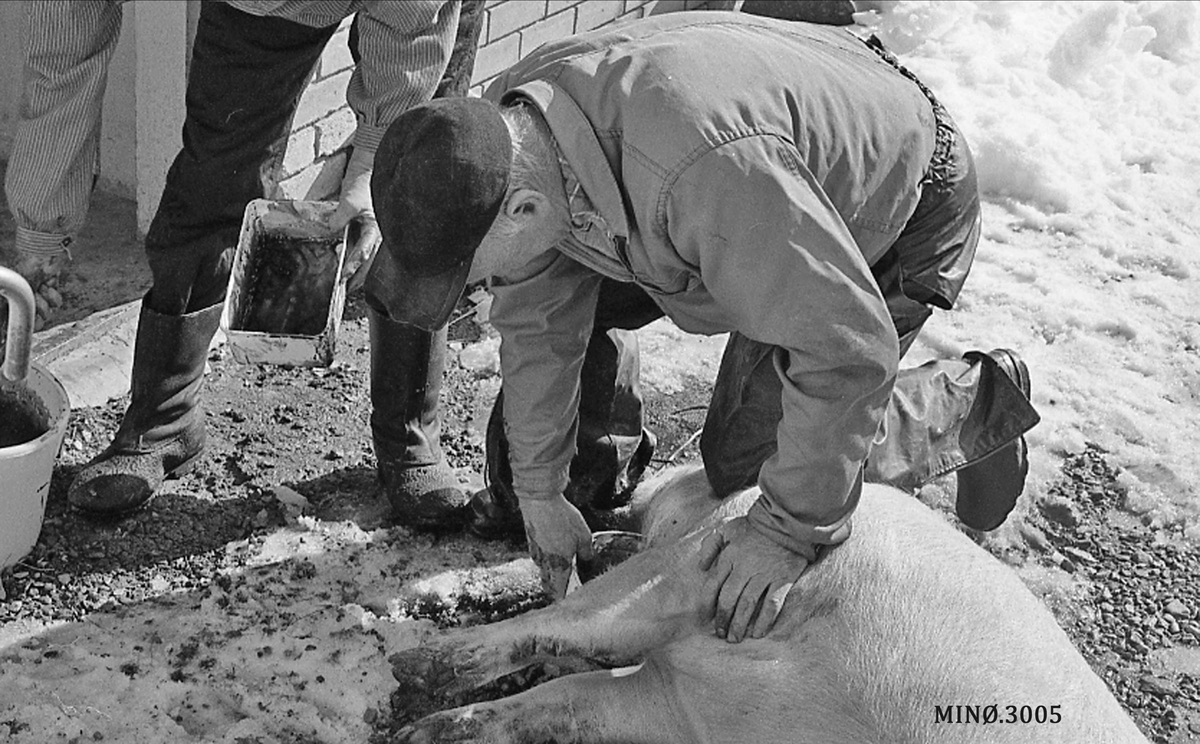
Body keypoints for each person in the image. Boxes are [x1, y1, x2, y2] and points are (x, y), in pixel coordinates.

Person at [364, 10, 1041, 643]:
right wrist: (541, 490)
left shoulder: (706, 175)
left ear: (520, 207)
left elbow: (843, 351)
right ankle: (592, 482)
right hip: (766, 170)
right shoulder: (515, 130)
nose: (474, 291)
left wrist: (788, 531)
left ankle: (975, 401)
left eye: (468, 273)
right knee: (570, 283)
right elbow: (539, 316)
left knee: (751, 466)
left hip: (895, 199)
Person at [1, 0, 484, 523]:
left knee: (422, 180)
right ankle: (165, 419)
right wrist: (41, 230)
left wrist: (373, 156)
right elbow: (64, 47)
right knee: (214, 178)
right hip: (263, 7)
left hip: (420, 14)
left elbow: (411, 21)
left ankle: (409, 436)